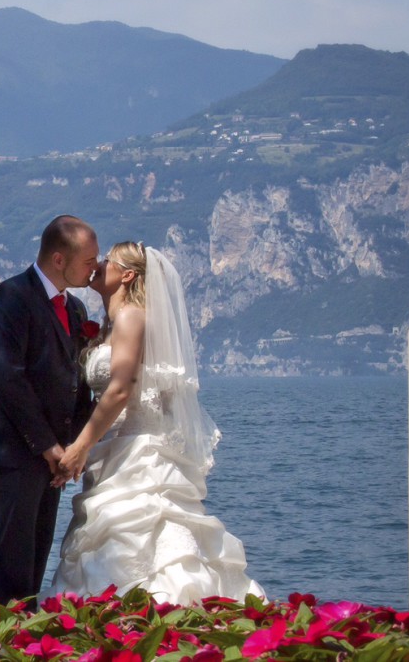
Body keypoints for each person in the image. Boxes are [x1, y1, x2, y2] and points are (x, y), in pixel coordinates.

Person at [50, 241, 264, 604]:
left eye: (108, 261)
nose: (98, 264)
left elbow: (120, 390)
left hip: (138, 450)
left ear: (128, 274)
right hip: (113, 448)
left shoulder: (132, 315)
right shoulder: (112, 322)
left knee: (152, 534)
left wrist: (79, 448)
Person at [0, 215, 99, 609]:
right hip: (12, 450)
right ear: (59, 259)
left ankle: (28, 639)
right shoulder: (10, 298)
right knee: (14, 556)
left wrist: (72, 447)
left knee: (37, 553)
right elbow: (5, 378)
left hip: (52, 455)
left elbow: (74, 382)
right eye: (88, 261)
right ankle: (3, 639)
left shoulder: (73, 309)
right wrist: (48, 447)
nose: (95, 268)